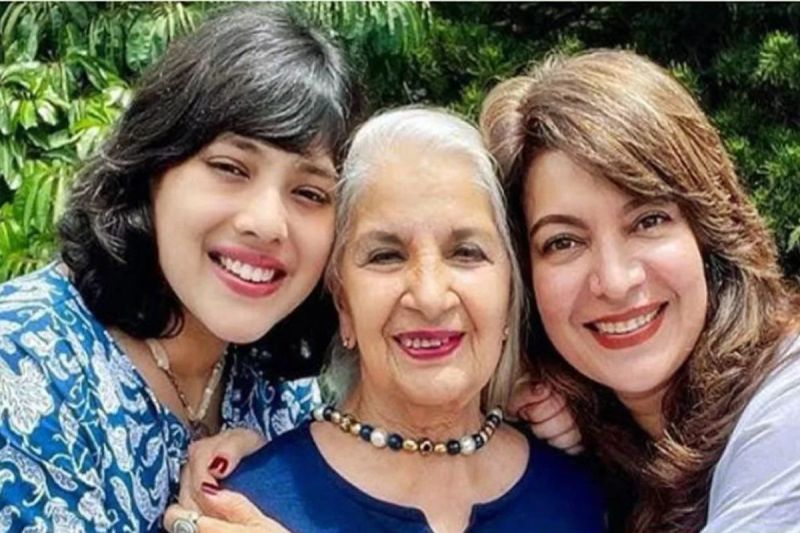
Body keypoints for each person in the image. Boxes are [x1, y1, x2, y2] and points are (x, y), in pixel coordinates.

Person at [0, 5, 359, 531]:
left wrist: (276, 479)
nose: (267, 223)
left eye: (309, 193)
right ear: (153, 169)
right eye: (230, 168)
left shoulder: (277, 392)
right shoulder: (22, 365)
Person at [211, 108, 606, 533]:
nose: (429, 297)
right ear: (344, 303)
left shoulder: (582, 495)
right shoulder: (246, 506)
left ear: (510, 291)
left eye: (466, 253)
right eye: (386, 256)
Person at [481, 49, 800, 532]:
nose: (615, 281)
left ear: (708, 231)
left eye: (649, 221)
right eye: (563, 242)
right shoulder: (607, 454)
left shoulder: (785, 412)